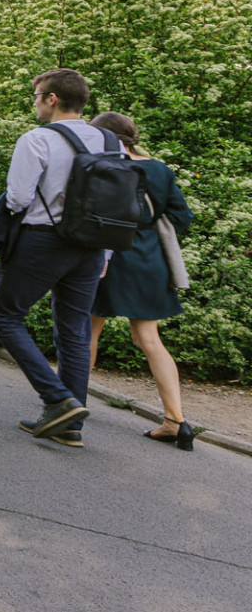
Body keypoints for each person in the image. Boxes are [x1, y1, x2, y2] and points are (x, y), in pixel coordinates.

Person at [0, 68, 117, 445]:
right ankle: (70, 427)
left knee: (4, 315)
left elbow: (18, 199)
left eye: (37, 95)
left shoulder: (37, 139)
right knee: (74, 332)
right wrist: (105, 252)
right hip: (92, 246)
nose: (35, 103)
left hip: (43, 241)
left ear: (52, 98)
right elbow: (116, 203)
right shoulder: (110, 141)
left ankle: (58, 399)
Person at [86, 112, 197, 450]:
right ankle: (175, 420)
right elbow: (181, 216)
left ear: (107, 137)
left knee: (87, 329)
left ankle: (69, 404)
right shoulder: (160, 169)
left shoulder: (104, 166)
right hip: (150, 260)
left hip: (109, 257)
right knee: (149, 339)